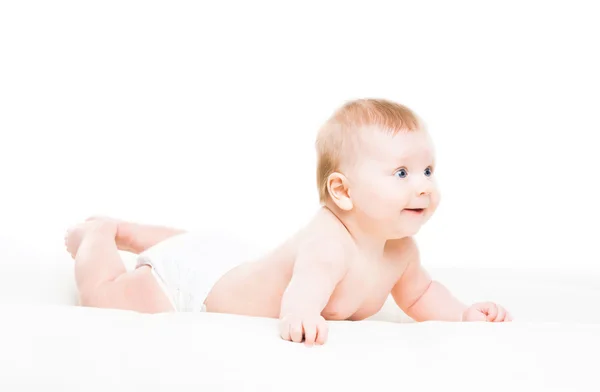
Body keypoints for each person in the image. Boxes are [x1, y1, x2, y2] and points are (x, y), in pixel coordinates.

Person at [65, 98, 511, 346]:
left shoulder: (401, 251)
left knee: (192, 244)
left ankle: (129, 230)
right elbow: (303, 294)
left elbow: (423, 295)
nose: (423, 187)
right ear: (342, 191)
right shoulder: (329, 243)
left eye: (428, 171)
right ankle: (100, 234)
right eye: (402, 173)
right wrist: (300, 315)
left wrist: (463, 315)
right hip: (193, 288)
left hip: (226, 260)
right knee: (104, 298)